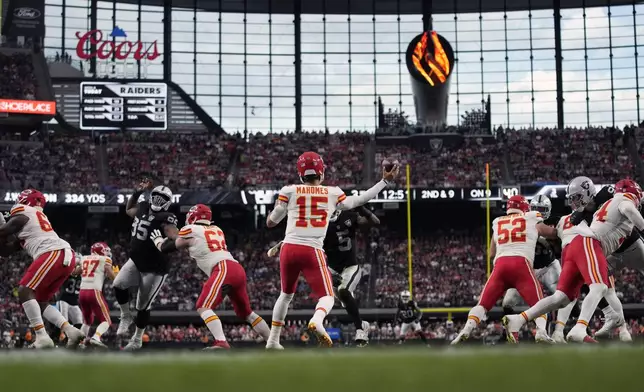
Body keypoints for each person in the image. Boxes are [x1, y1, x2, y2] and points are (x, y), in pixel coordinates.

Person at [264, 152, 398, 349]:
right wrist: (384, 182)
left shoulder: (289, 190)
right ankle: (317, 321)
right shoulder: (332, 193)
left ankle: (273, 341)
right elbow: (359, 200)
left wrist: (279, 208)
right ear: (321, 172)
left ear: (300, 173)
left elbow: (271, 222)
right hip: (312, 250)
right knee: (327, 296)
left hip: (289, 248)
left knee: (285, 295)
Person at [503, 177, 640, 343]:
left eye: (575, 197)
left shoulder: (581, 212)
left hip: (571, 251)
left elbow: (546, 230)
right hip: (589, 244)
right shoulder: (614, 201)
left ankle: (517, 320)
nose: (573, 202)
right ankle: (581, 327)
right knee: (601, 286)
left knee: (561, 298)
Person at [151, 204, 270, 350]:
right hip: (236, 269)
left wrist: (158, 241)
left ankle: (221, 342)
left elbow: (167, 248)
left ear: (193, 216)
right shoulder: (217, 229)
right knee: (247, 313)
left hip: (222, 268)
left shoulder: (191, 229)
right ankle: (273, 343)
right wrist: (175, 235)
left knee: (203, 306)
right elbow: (190, 239)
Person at [451, 195, 557, 345]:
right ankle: (541, 331)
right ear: (525, 208)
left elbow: (491, 253)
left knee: (482, 305)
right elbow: (550, 233)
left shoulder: (497, 222)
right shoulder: (531, 217)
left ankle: (466, 329)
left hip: (500, 266)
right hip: (521, 264)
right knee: (539, 304)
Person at [0, 189, 84, 348]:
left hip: (52, 253)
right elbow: (6, 251)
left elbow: (6, 229)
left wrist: (2, 230)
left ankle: (42, 336)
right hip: (64, 255)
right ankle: (71, 330)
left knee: (24, 290)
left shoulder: (24, 212)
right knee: (41, 301)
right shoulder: (34, 221)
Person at [112, 180, 179, 351]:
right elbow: (128, 210)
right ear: (151, 196)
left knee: (142, 305)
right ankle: (125, 316)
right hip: (135, 260)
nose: (157, 200)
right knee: (118, 284)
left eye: (162, 198)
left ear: (168, 202)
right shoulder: (142, 206)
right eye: (156, 196)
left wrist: (169, 238)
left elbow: (175, 237)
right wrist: (136, 192)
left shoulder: (167, 217)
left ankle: (137, 339)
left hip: (155, 268)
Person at [324, 207, 379, 346]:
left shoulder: (348, 216)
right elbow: (314, 251)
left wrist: (361, 207)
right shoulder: (319, 222)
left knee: (344, 291)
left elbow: (375, 221)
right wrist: (328, 274)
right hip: (331, 268)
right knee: (344, 301)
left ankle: (360, 329)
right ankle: (362, 324)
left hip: (350, 267)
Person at [79, 242, 117, 348]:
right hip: (94, 292)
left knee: (87, 321)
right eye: (105, 250)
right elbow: (110, 274)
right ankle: (96, 337)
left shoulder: (84, 258)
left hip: (82, 293)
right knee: (106, 320)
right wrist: (116, 276)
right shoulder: (105, 260)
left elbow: (76, 272)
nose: (107, 253)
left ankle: (80, 343)